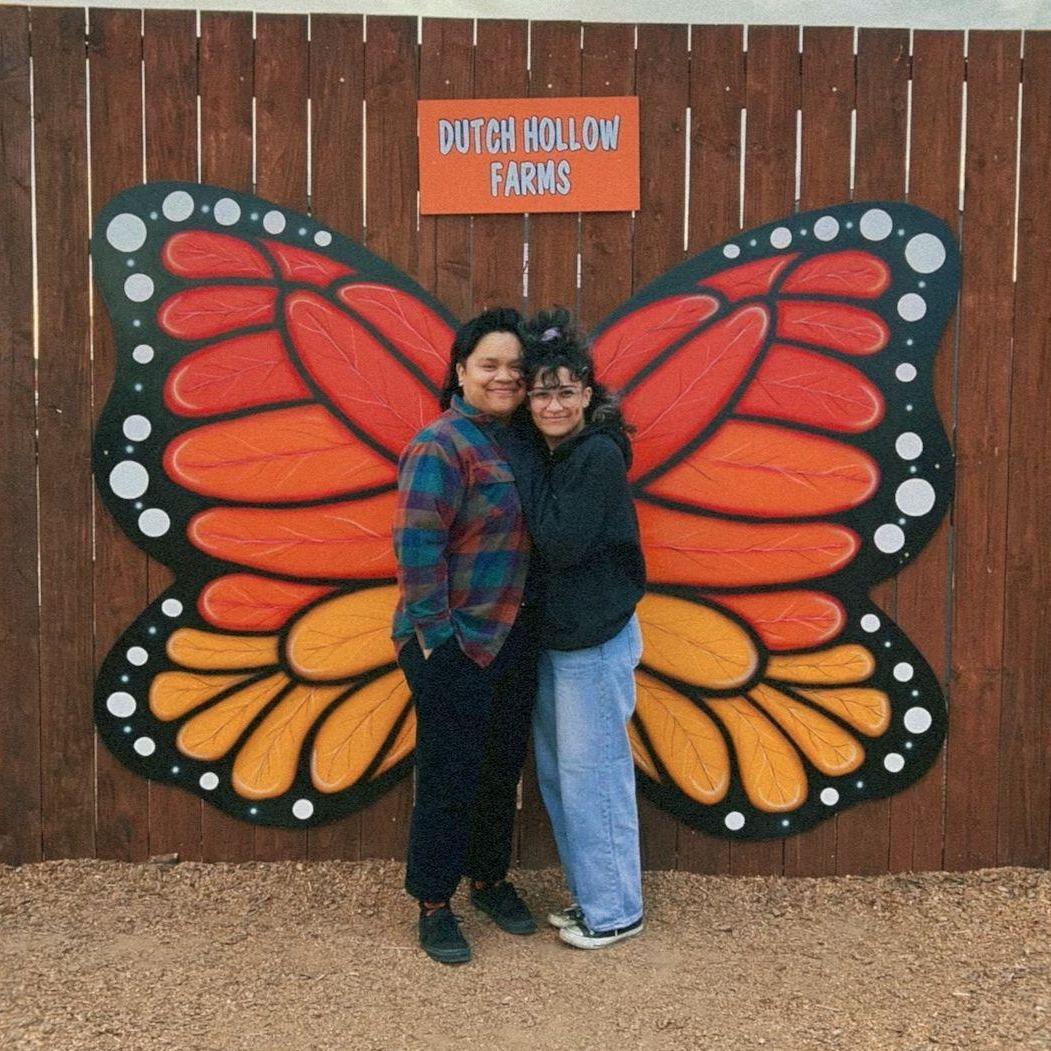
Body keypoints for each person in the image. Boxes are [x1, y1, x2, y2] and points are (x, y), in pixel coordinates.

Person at [391, 307, 539, 966]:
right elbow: (417, 545)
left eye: (514, 365)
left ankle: (489, 879)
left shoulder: (522, 441)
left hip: (510, 635)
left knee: (500, 768)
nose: (504, 375)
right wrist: (436, 639)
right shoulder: (440, 443)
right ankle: (432, 901)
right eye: (489, 364)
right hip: (450, 637)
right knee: (449, 774)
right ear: (460, 371)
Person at [499, 309, 647, 950]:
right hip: (559, 638)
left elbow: (558, 541)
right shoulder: (562, 456)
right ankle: (593, 898)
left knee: (596, 772)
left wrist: (521, 472)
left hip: (594, 637)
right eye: (541, 391)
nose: (552, 403)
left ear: (589, 393)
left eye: (565, 390)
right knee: (562, 775)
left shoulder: (594, 458)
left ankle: (616, 909)